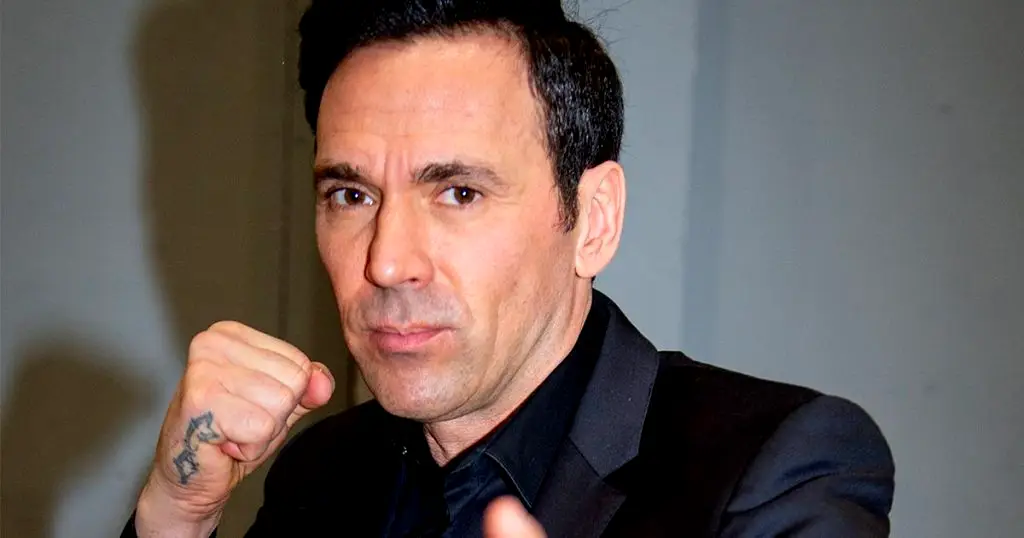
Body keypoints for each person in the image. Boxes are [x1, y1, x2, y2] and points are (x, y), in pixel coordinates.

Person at [123, 0, 895, 536]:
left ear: (593, 220)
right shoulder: (323, 472)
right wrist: (175, 517)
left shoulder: (775, 468)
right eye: (352, 195)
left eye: (459, 192)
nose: (387, 262)